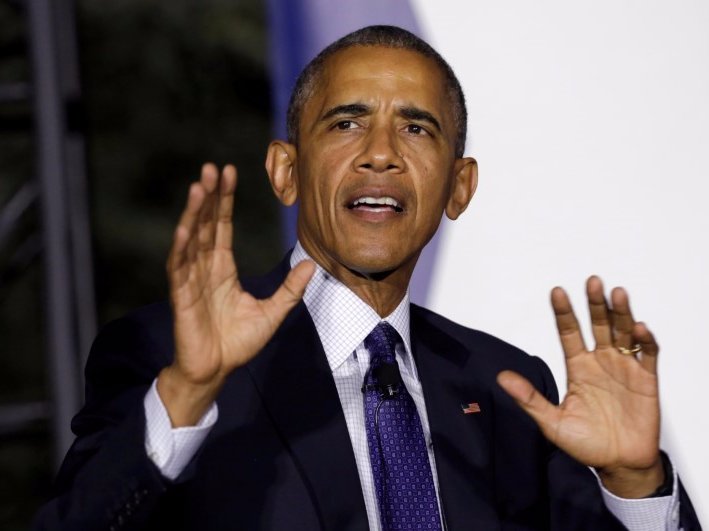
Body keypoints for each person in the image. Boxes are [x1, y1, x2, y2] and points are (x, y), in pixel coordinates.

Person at [35, 25, 700, 530]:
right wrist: (185, 393)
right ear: (285, 170)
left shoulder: (506, 388)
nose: (380, 153)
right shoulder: (168, 357)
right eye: (347, 122)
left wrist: (636, 483)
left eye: (415, 128)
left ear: (458, 187)